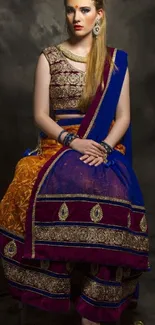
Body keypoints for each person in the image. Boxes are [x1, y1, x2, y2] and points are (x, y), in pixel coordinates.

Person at [0, 0, 149, 324]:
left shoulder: (115, 61)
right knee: (33, 184)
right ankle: (49, 293)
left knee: (110, 189)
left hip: (104, 146)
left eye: (84, 9)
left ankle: (96, 305)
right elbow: (41, 115)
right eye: (70, 9)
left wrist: (104, 148)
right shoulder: (49, 57)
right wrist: (73, 142)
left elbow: (122, 117)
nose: (76, 17)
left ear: (99, 15)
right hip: (58, 143)